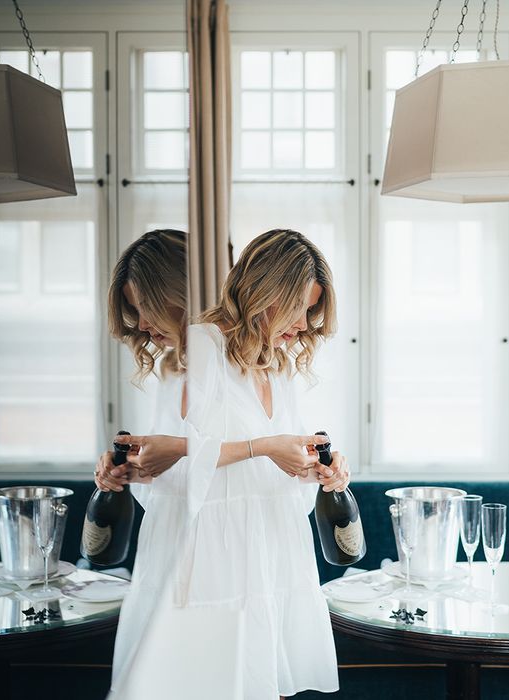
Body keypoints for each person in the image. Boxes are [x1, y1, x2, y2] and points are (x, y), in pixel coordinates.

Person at [113, 228, 350, 699]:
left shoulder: (278, 367)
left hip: (272, 549)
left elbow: (280, 466)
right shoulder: (201, 350)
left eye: (310, 311)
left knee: (269, 683)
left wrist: (320, 470)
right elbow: (176, 472)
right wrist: (130, 468)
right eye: (300, 307)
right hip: (214, 554)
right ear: (268, 293)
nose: (304, 325)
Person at [91, 229, 190, 691]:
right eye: (132, 310)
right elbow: (176, 464)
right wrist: (132, 468)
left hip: (215, 548)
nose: (141, 324)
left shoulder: (246, 364)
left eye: (144, 307)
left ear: (179, 294)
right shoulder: (172, 368)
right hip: (165, 542)